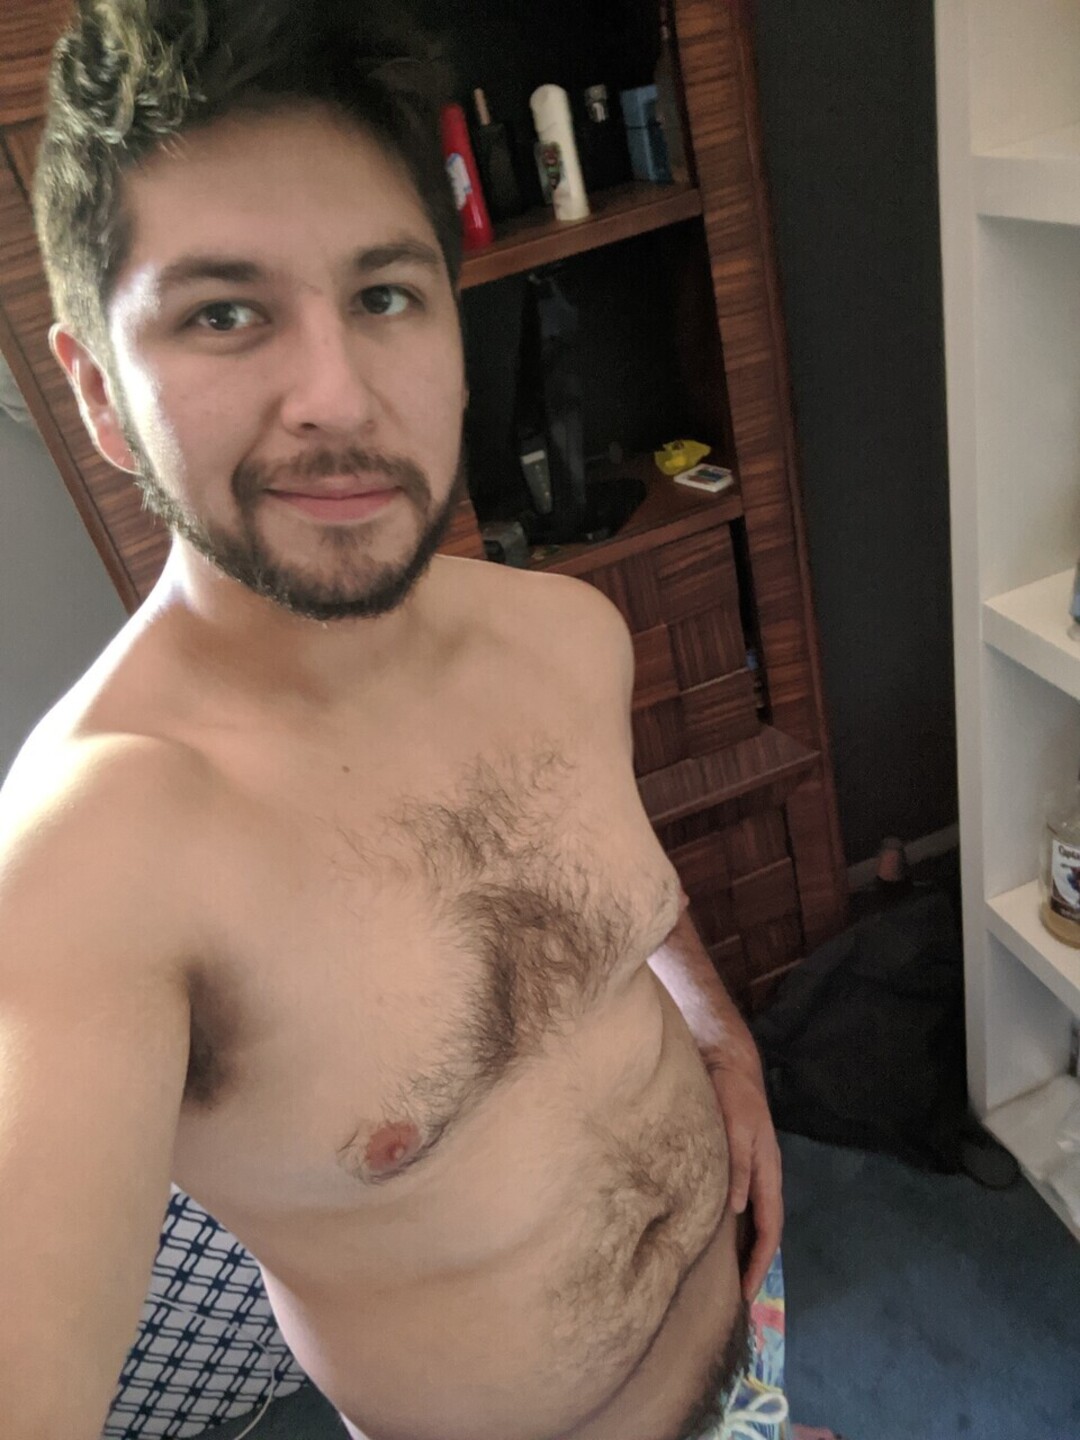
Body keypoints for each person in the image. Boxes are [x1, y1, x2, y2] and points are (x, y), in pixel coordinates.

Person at [0, 2, 836, 1436]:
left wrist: (718, 1033)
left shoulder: (562, 635)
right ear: (97, 393)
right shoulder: (93, 859)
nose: (337, 398)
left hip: (744, 1336)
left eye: (385, 295)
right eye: (223, 313)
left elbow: (620, 878)